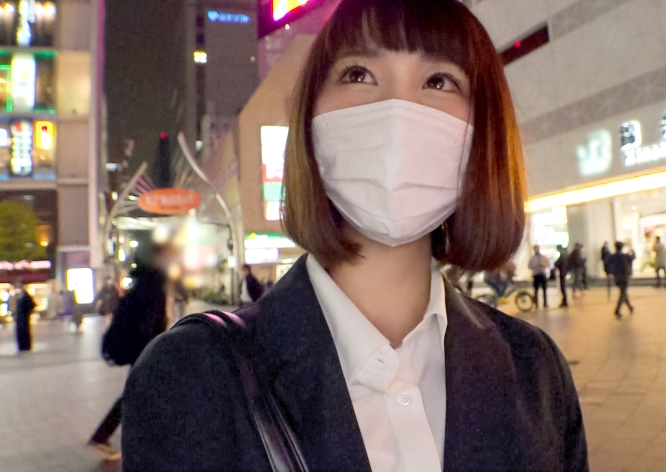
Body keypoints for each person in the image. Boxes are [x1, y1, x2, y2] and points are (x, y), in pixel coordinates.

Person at [122, 2, 588, 470]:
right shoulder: (191, 376)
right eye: (359, 74)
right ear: (309, 123)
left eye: (439, 81)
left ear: (483, 133)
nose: (397, 111)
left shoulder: (536, 370)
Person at [89, 245, 171, 461]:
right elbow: (148, 325)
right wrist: (156, 349)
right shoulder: (153, 288)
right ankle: (104, 436)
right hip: (144, 351)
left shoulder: (142, 285)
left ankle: (138, 437)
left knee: (142, 394)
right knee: (140, 394)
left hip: (140, 350)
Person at [609, 242, 636, 318]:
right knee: (622, 293)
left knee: (623, 293)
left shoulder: (613, 257)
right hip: (624, 277)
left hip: (617, 277)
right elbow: (633, 257)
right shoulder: (625, 256)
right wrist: (632, 250)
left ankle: (630, 307)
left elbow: (609, 265)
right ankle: (617, 310)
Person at [13, 281, 36, 352]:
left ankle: (25, 346)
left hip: (24, 318)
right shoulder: (18, 295)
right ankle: (22, 346)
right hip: (20, 318)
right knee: (20, 332)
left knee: (25, 332)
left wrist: (27, 313)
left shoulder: (26, 296)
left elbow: (32, 305)